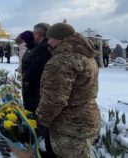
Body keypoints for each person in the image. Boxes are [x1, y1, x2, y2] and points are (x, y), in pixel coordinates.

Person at [37, 23, 101, 158]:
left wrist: (42, 119)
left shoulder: (63, 60)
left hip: (69, 123)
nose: (48, 42)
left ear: (61, 38)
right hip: (87, 117)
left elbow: (54, 98)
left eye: (51, 38)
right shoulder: (86, 55)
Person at [21, 23, 55, 158]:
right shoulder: (39, 48)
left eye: (34, 33)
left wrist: (27, 76)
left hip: (37, 91)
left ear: (38, 35)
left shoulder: (44, 50)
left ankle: (36, 144)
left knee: (40, 122)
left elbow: (35, 71)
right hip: (34, 90)